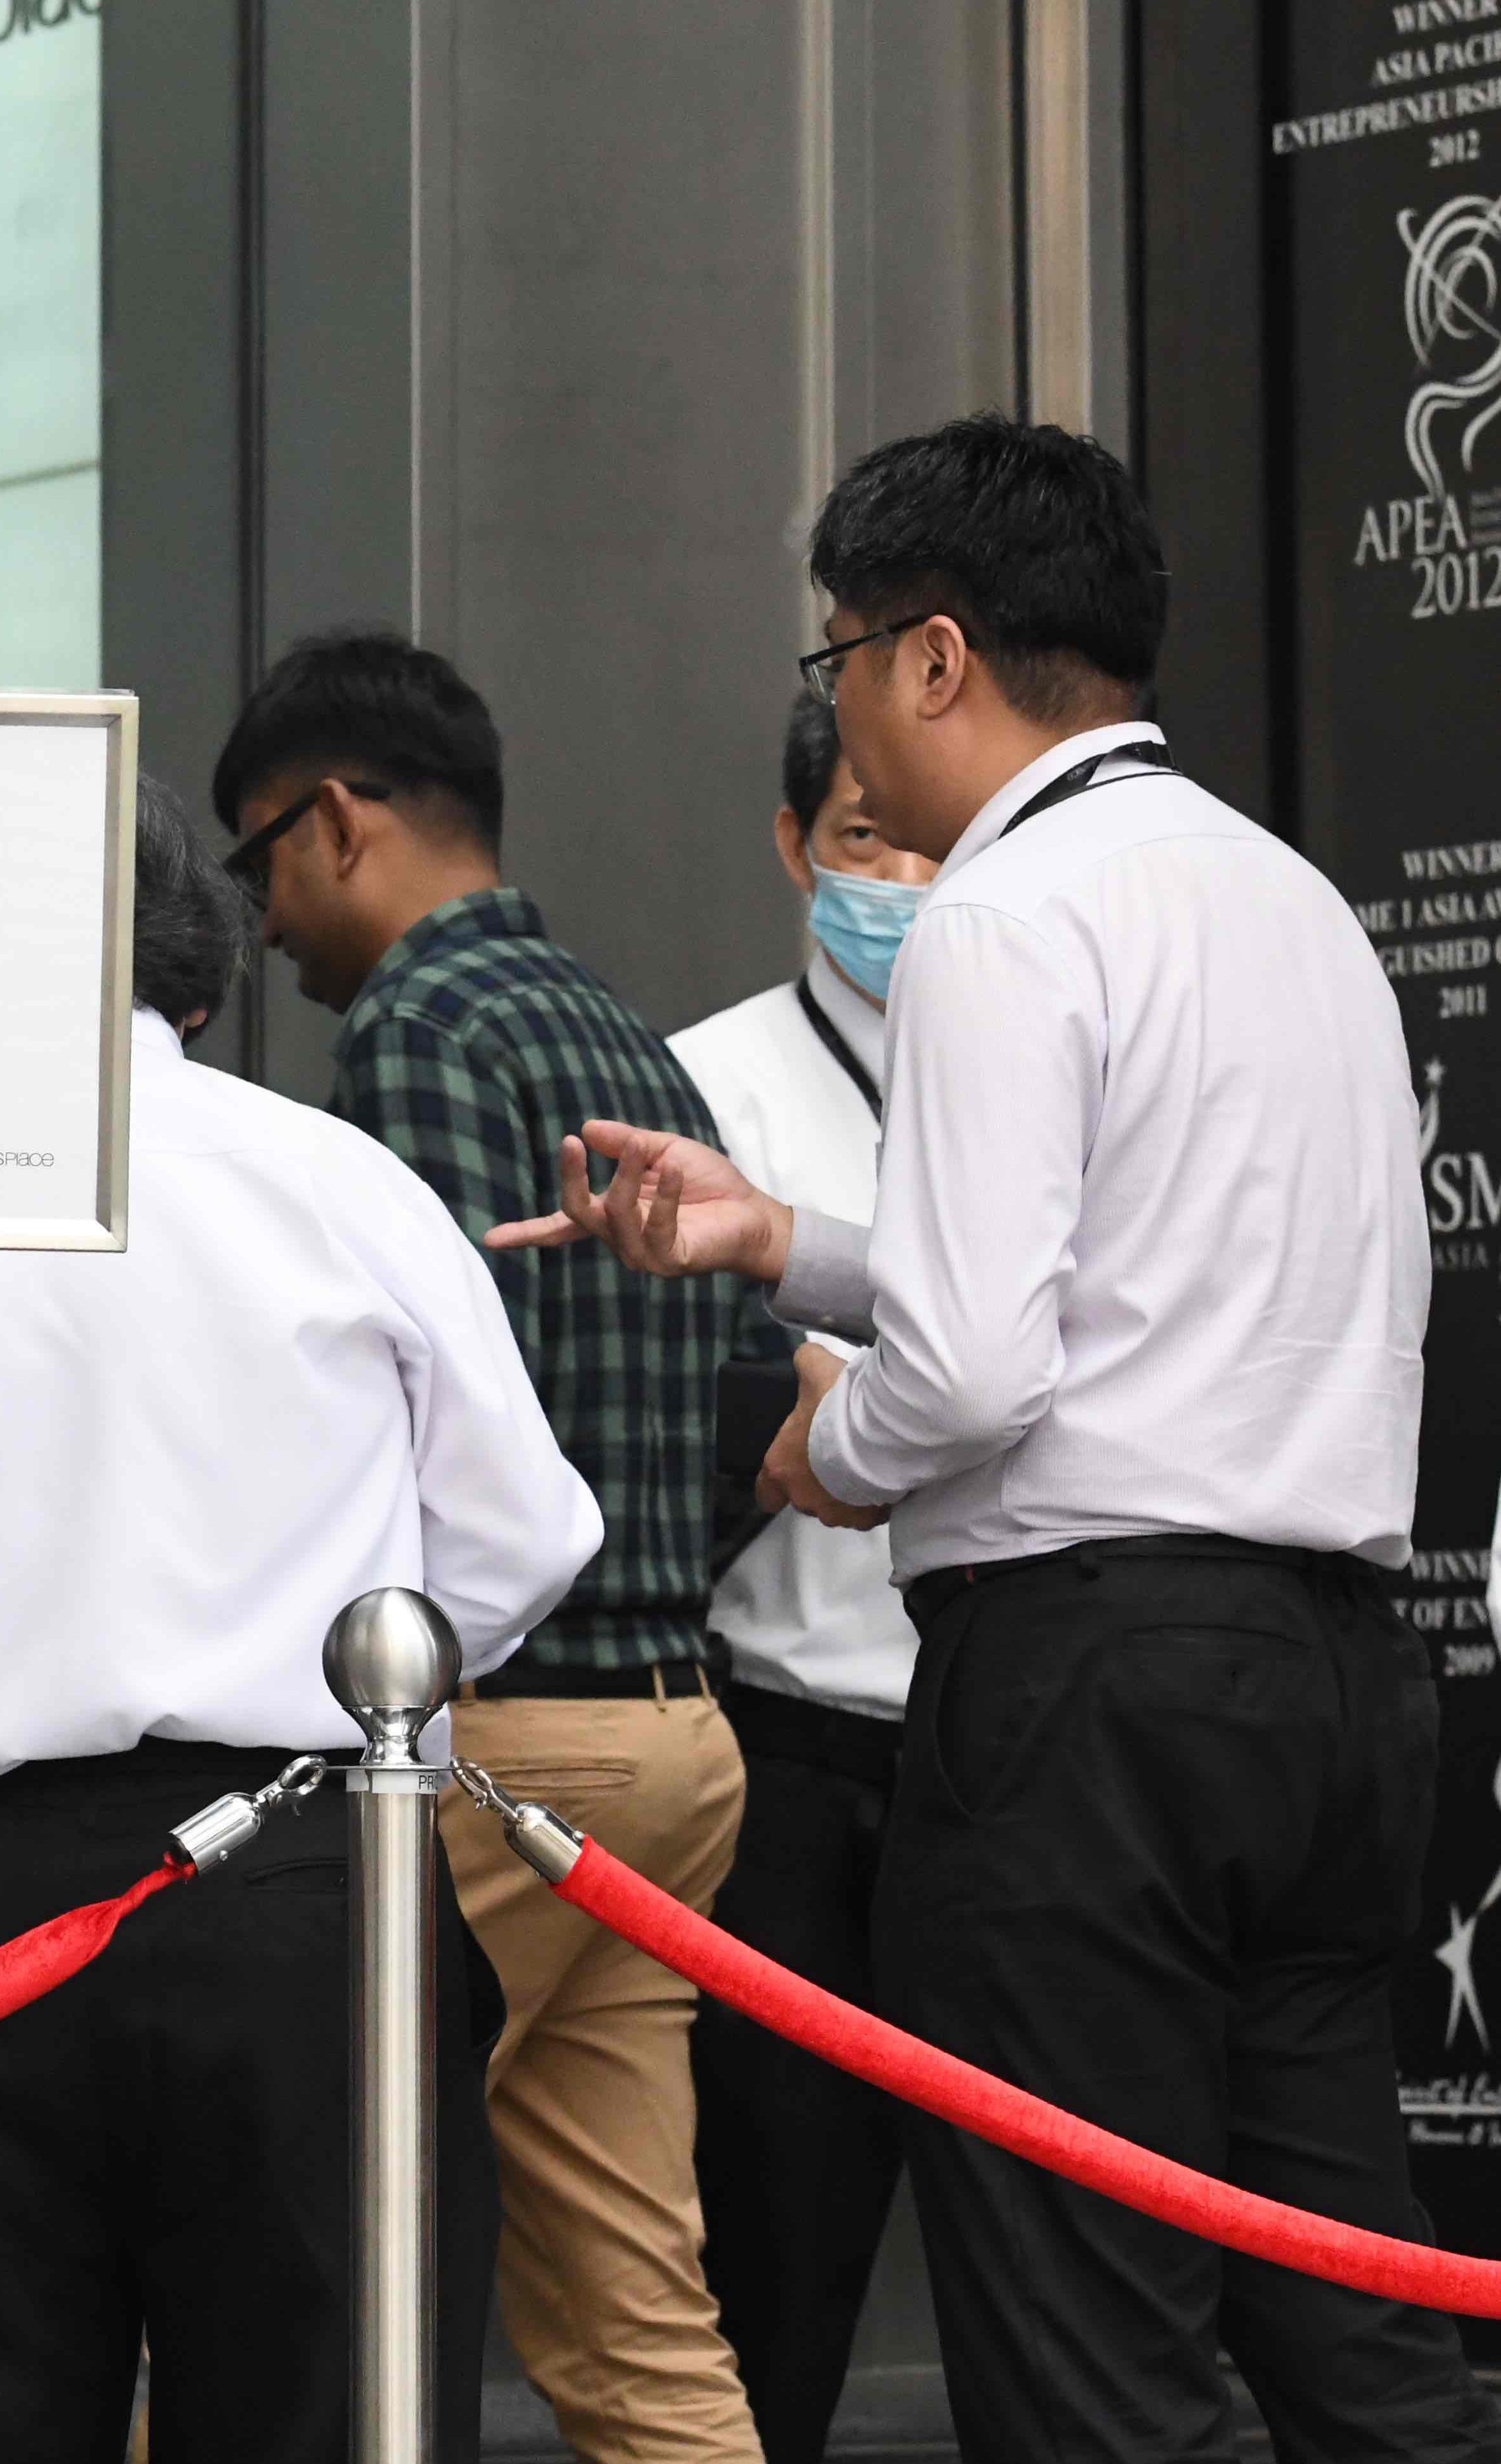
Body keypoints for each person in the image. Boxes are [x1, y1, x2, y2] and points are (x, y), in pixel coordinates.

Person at [497, 413, 1498, 2463]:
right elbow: (1133, 1295)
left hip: (1086, 1700)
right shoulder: (1295, 899)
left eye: (844, 658)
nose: (850, 723)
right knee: (1352, 2315)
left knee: (1086, 2349)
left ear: (935, 656)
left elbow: (969, 1376)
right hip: (1334, 1680)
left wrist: (823, 1461)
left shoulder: (1004, 911)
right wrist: (782, 1240)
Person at [0, 782, 595, 2463]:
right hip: (307, 1884)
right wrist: (347, 1678)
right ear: (195, 977)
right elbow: (524, 1540)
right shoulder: (337, 1181)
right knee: (334, 2418)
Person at [215, 628, 757, 2464]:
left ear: (337, 819)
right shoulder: (635, 1040)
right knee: (636, 2317)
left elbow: (422, 1420)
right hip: (677, 1733)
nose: (260, 925)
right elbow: (741, 1398)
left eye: (258, 861)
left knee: (270, 2267)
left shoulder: (420, 1031)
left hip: (495, 1747)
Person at [662, 698, 931, 2464]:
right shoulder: (713, 1081)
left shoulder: (1049, 1057)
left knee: (1058, 2243)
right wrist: (790, 1396)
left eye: (924, 842)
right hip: (790, 1752)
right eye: (858, 838)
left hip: (1002, 1740)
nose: (896, 877)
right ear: (791, 843)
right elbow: (673, 1393)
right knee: (782, 2255)